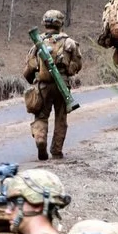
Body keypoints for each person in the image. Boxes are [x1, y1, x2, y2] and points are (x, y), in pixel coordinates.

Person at [23, 9, 83, 160]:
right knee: (60, 119)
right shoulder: (69, 42)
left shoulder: (38, 42)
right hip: (62, 86)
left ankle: (40, 140)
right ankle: (56, 151)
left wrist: (31, 79)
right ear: (60, 23)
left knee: (41, 116)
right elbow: (76, 65)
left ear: (45, 23)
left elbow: (29, 66)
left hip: (43, 85)